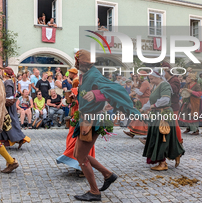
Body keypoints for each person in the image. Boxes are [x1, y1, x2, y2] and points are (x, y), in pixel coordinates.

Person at [72, 50, 140, 201]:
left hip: (92, 120)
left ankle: (94, 192)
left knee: (81, 157)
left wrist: (97, 95)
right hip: (85, 119)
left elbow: (116, 89)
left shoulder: (94, 74)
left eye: (76, 62)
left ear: (82, 62)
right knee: (78, 154)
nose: (75, 65)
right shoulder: (85, 75)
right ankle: (108, 175)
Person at [140, 70, 185, 171]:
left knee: (162, 137)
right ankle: (176, 153)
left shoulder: (165, 85)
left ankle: (163, 163)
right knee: (160, 137)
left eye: (152, 78)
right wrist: (143, 109)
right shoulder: (155, 86)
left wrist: (154, 105)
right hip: (157, 113)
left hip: (163, 114)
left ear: (158, 76)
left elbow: (165, 99)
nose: (150, 80)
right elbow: (152, 100)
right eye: (149, 78)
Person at [0, 67, 31, 148]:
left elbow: (9, 95)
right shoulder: (7, 81)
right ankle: (5, 140)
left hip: (8, 105)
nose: (2, 73)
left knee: (10, 122)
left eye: (3, 72)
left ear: (5, 73)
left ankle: (19, 138)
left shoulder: (8, 82)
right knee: (5, 122)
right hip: (6, 105)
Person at [124, 73, 150, 138]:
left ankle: (146, 133)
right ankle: (132, 132)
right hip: (142, 100)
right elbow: (136, 87)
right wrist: (135, 81)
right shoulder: (143, 82)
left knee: (143, 117)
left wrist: (135, 90)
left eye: (138, 76)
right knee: (138, 116)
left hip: (145, 101)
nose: (138, 77)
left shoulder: (145, 83)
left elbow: (140, 92)